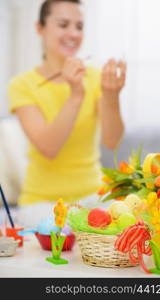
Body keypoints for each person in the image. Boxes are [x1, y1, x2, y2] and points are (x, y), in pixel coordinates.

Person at [8, 0, 126, 207]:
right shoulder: (22, 85)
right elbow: (49, 147)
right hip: (42, 202)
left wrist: (111, 96)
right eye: (63, 24)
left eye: (79, 26)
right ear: (40, 28)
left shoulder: (95, 77)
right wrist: (76, 95)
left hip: (93, 196)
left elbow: (112, 141)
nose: (73, 34)